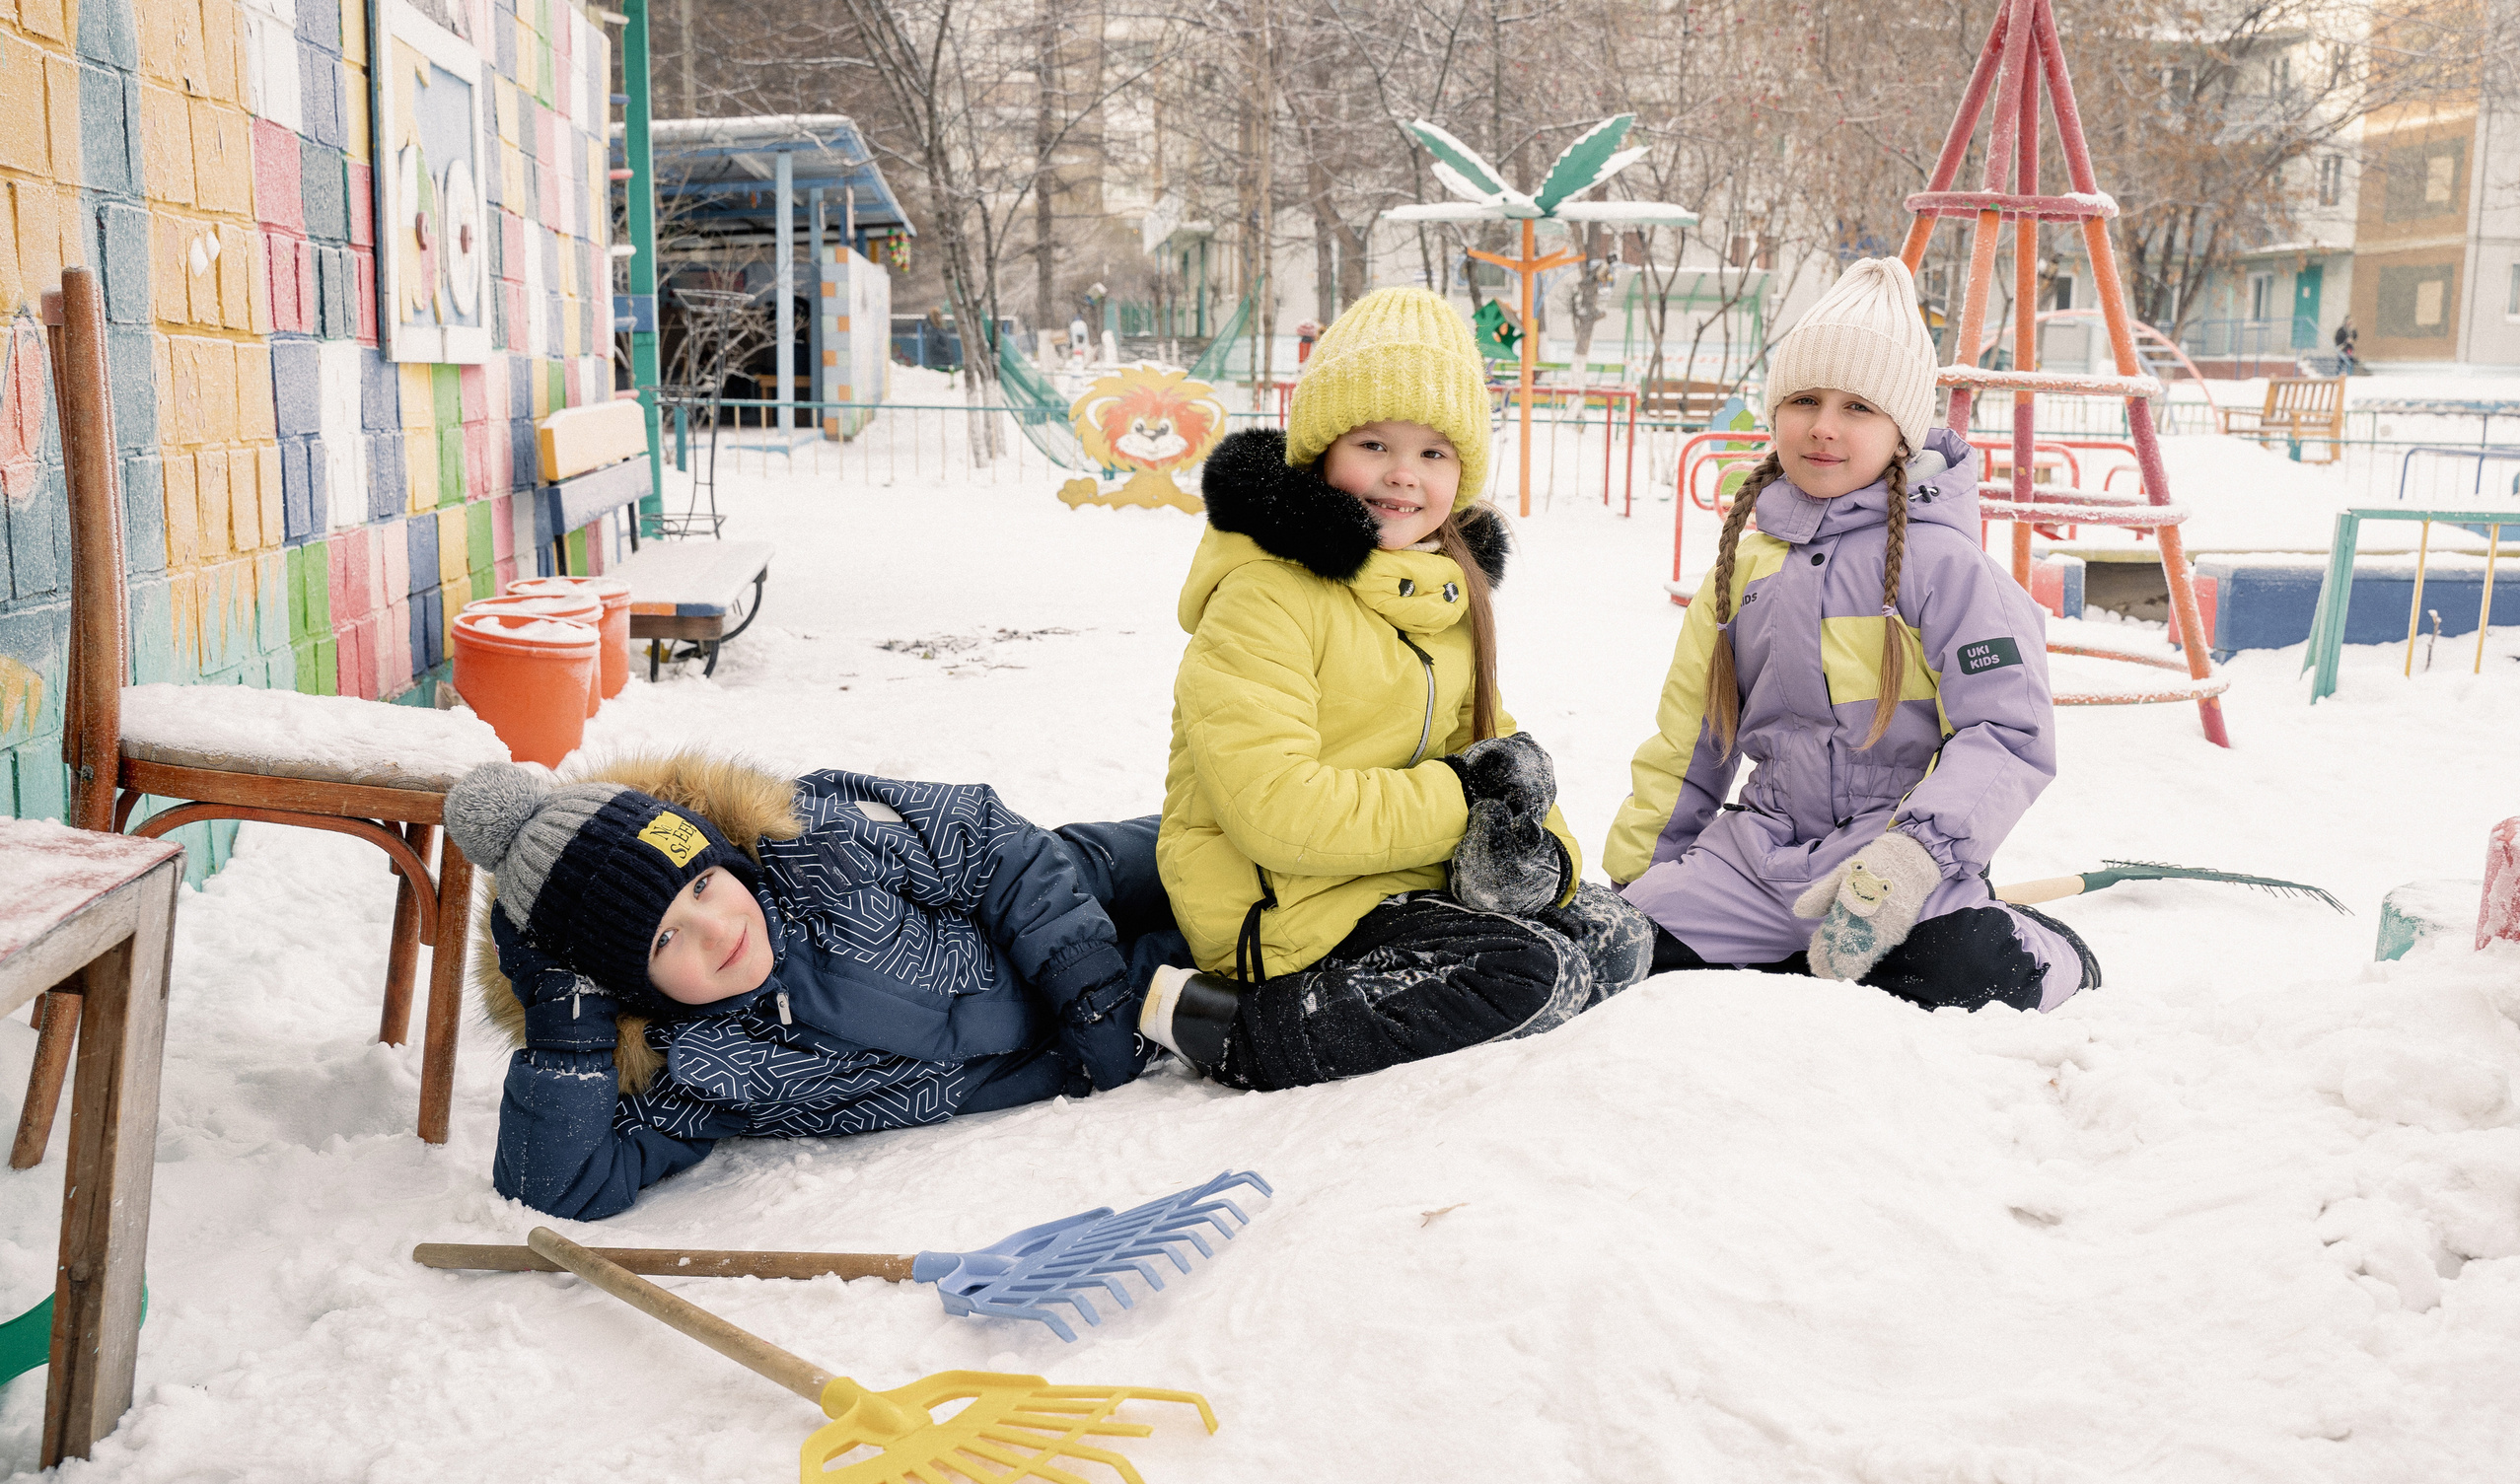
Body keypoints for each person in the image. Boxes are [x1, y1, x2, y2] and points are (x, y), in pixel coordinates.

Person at [1137, 286, 1655, 1090]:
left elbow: (1490, 751)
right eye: (1374, 443)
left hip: (1393, 883)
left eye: (1433, 453)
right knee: (1532, 972)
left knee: (1612, 933)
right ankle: (1241, 1030)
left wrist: (1542, 855)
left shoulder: (1438, 593)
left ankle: (1457, 956)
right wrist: (1461, 801)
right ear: (1322, 451)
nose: (1403, 476)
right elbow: (1278, 812)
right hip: (1289, 912)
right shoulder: (1263, 596)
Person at [1603, 257, 2099, 1013]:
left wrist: (1913, 856)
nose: (1824, 427)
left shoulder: (1949, 569)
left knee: (1959, 972)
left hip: (1892, 865)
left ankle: (2050, 951)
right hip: (1757, 861)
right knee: (1621, 951)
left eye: (1858, 407)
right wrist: (1638, 879)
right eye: (1804, 399)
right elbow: (1692, 736)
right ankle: (1780, 953)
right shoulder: (1744, 564)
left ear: (1901, 431)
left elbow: (2007, 729)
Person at [443, 753, 1188, 1220]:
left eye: (704, 882)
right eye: (666, 938)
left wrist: (1091, 994)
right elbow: (556, 1188)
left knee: (1220, 864)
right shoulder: (699, 1072)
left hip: (1077, 903)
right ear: (622, 989)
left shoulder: (820, 844)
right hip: (1115, 1020)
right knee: (1269, 988)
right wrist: (566, 1031)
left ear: (724, 854)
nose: (716, 927)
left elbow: (993, 845)